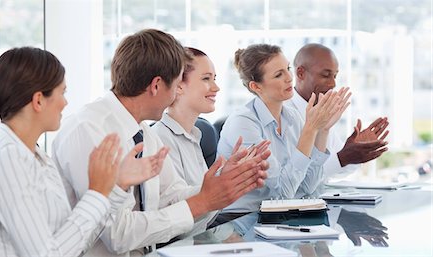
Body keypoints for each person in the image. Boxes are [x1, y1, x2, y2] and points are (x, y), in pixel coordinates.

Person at [52, 29, 270, 256]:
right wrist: (202, 202)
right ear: (156, 86)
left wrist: (220, 184)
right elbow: (117, 234)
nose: (178, 92)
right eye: (176, 85)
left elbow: (169, 197)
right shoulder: (89, 130)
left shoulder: (144, 133)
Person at [0, 47, 168, 257]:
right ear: (38, 100)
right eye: (62, 93)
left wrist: (116, 186)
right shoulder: (6, 159)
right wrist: (97, 193)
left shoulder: (38, 158)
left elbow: (78, 244)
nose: (65, 103)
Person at [217, 44, 350, 212]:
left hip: (276, 219)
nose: (289, 77)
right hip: (240, 223)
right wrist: (310, 130)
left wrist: (323, 130)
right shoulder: (243, 123)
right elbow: (282, 193)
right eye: (279, 74)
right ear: (256, 86)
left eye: (287, 69)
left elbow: (308, 186)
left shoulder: (292, 117)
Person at [153, 47, 271, 186]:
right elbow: (181, 202)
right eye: (206, 79)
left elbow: (202, 196)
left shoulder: (193, 135)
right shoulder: (161, 139)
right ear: (178, 85)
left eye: (213, 78)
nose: (216, 87)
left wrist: (228, 175)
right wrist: (223, 181)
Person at [288, 43, 389, 178]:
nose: (333, 84)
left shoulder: (323, 112)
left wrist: (355, 151)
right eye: (325, 75)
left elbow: (334, 171)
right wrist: (343, 157)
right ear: (300, 73)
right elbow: (296, 179)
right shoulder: (284, 113)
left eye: (335, 76)